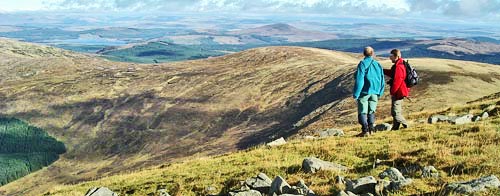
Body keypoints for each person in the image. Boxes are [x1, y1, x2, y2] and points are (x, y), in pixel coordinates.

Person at [353, 46, 385, 137]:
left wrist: (356, 93)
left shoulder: (362, 64)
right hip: (375, 92)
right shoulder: (377, 64)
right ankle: (371, 130)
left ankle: (365, 131)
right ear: (373, 53)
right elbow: (382, 78)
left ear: (364, 53)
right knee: (371, 111)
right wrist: (381, 91)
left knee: (362, 111)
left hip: (364, 92)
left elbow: (360, 79)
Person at [384, 49, 409, 130]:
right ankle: (395, 128)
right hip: (399, 92)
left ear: (396, 56)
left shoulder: (399, 67)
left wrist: (392, 91)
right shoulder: (398, 65)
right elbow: (392, 73)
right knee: (396, 111)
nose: (390, 58)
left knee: (395, 112)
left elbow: (397, 81)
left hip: (399, 92)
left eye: (391, 56)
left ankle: (406, 125)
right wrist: (382, 70)